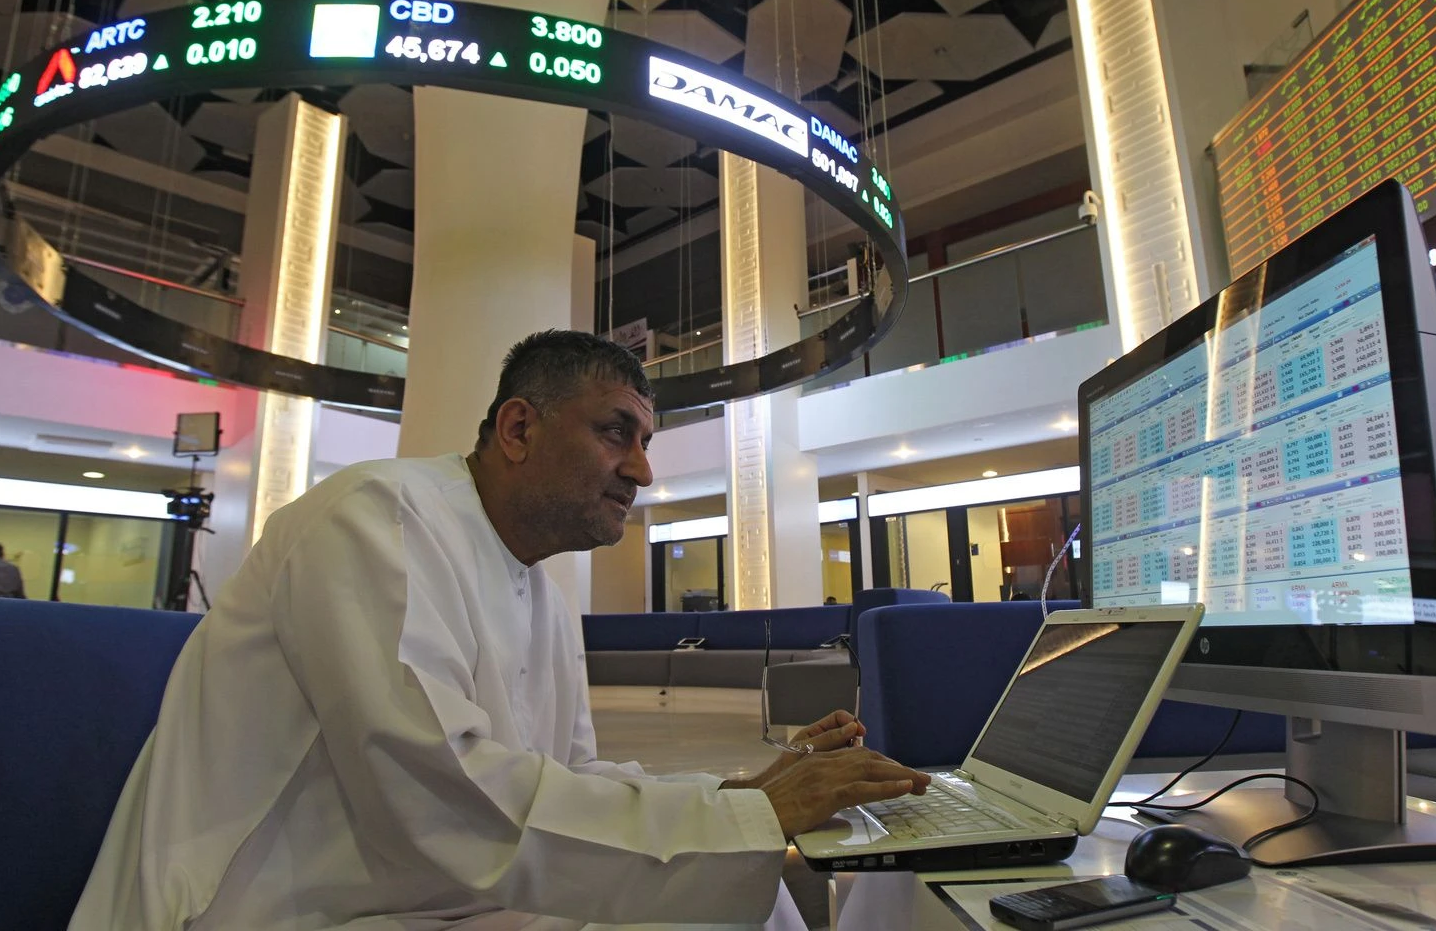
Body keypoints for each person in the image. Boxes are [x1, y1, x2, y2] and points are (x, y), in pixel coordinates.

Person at [72, 330, 929, 930]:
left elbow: (572, 776)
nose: (641, 469)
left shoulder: (539, 588)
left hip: (442, 895)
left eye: (646, 441)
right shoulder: (377, 518)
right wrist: (740, 818)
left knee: (737, 903)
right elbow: (442, 796)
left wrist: (739, 795)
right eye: (616, 433)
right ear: (519, 428)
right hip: (280, 905)